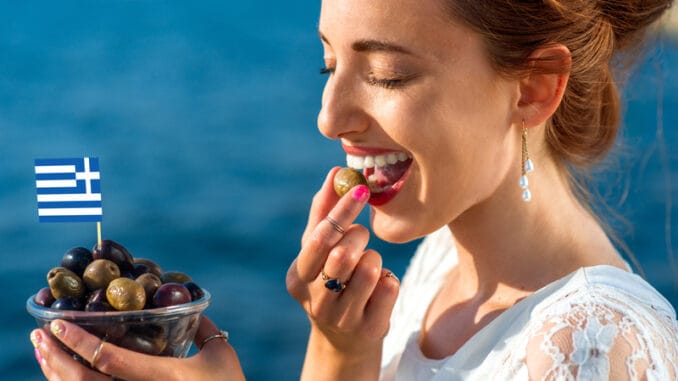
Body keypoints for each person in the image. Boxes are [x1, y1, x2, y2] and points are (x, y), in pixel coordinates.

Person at [30, 0, 678, 380]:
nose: (328, 117)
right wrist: (338, 346)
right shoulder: (442, 266)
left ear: (534, 87)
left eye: (389, 75)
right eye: (329, 64)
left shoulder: (595, 344)